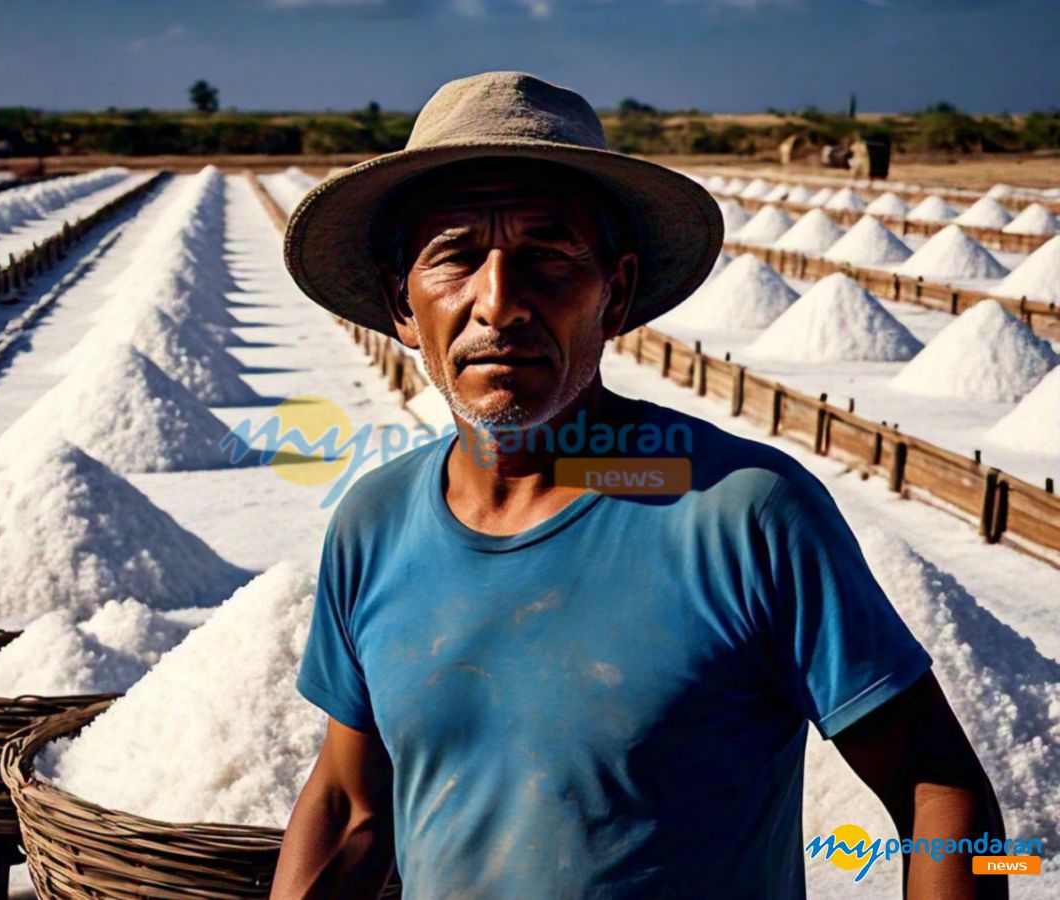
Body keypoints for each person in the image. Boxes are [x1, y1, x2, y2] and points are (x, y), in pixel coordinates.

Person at [271, 71, 1006, 899]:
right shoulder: (374, 524)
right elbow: (350, 804)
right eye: (455, 257)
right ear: (402, 308)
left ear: (614, 293)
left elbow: (941, 790)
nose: (500, 302)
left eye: (548, 255)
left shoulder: (740, 515)